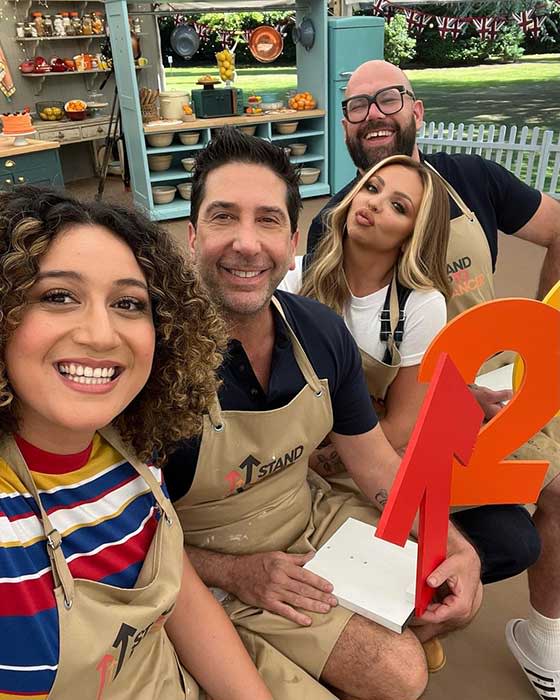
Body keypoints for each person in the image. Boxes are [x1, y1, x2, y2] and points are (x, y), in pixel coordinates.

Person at [166, 127, 484, 700]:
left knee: (437, 594)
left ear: (293, 242)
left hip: (310, 511)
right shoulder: (152, 364)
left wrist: (459, 550)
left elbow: (377, 467)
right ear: (191, 236)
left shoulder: (320, 331)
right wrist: (233, 572)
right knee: (401, 673)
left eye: (267, 220)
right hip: (203, 555)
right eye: (222, 217)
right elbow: (124, 537)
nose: (246, 243)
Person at [307, 59, 560, 697]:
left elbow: (556, 227)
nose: (373, 116)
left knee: (557, 491)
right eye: (357, 106)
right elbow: (329, 358)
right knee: (487, 535)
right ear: (345, 127)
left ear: (417, 109)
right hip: (391, 412)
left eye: (388, 99)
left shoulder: (474, 178)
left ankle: (545, 638)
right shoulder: (333, 227)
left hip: (489, 391)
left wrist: (535, 329)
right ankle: (408, 615)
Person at [0, 186, 273, 700]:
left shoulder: (130, 453)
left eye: (128, 303)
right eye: (59, 296)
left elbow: (181, 600)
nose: (102, 335)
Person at [280, 154, 451, 454]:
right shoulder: (293, 277)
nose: (374, 203)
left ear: (413, 235)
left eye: (398, 207)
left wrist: (322, 463)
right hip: (287, 455)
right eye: (371, 188)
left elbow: (401, 426)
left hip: (373, 456)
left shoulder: (421, 305)